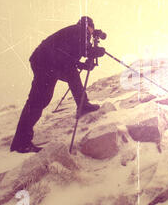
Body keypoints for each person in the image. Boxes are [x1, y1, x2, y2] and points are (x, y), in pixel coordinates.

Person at [10, 16, 105, 153]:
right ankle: (20, 143)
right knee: (37, 101)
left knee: (48, 94)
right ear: (89, 26)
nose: (92, 33)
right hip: (48, 63)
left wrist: (84, 64)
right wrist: (94, 52)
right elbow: (83, 51)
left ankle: (83, 104)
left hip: (50, 62)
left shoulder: (74, 33)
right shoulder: (79, 30)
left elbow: (68, 57)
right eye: (92, 29)